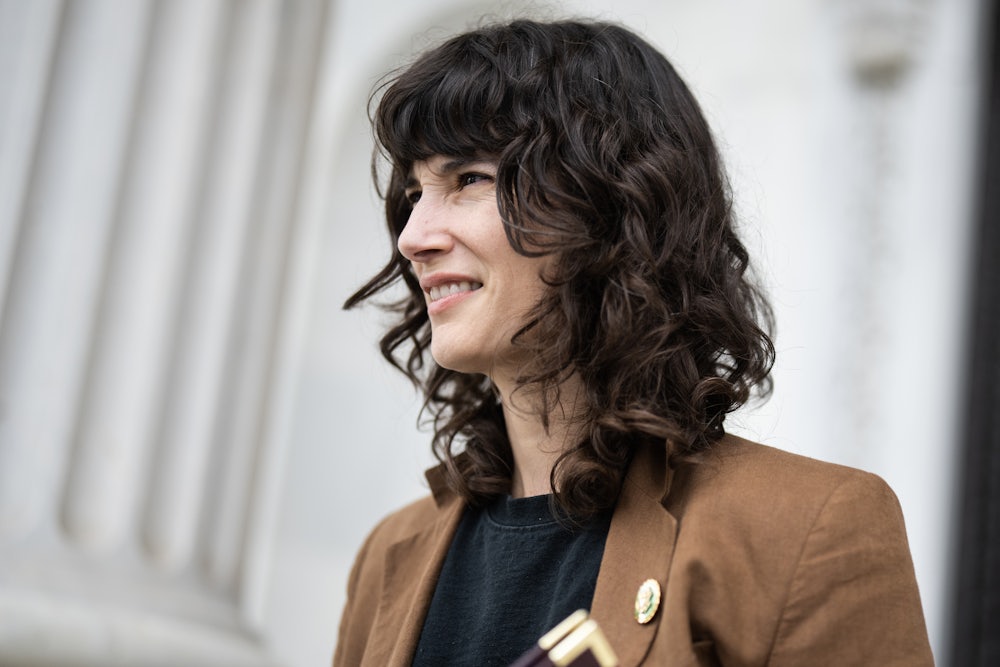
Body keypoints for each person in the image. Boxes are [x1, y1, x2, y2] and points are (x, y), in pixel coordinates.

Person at [333, 18, 933, 666]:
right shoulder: (388, 556)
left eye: (469, 179)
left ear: (610, 207)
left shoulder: (812, 530)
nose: (413, 235)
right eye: (416, 192)